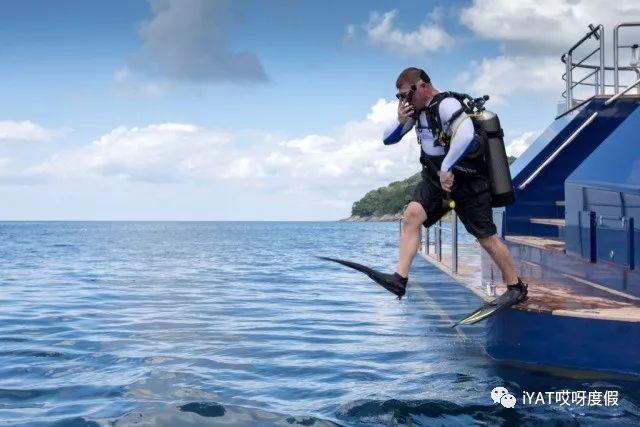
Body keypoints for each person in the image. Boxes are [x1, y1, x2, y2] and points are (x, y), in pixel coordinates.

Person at [377, 67, 527, 302]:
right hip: (436, 179)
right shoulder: (416, 112)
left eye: (408, 93)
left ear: (423, 86)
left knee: (486, 238)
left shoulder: (446, 105)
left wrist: (447, 167)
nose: (405, 100)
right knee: (412, 215)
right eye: (400, 96)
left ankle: (515, 287)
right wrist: (400, 120)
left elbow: (466, 135)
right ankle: (400, 279)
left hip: (467, 180)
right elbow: (388, 139)